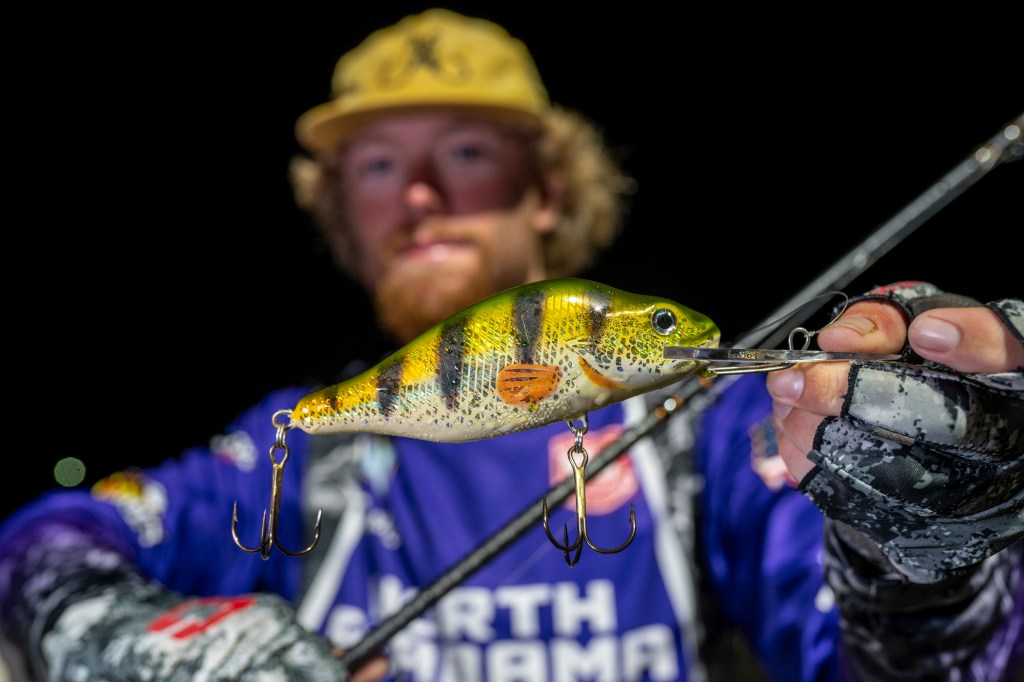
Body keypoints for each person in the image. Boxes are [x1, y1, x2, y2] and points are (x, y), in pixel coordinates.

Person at [1, 8, 1022, 681]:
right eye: (376, 165)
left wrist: (920, 565)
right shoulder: (296, 449)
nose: (419, 193)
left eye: (466, 151)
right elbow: (43, 537)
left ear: (546, 193)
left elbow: (906, 667)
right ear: (342, 213)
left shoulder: (709, 439)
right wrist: (114, 634)